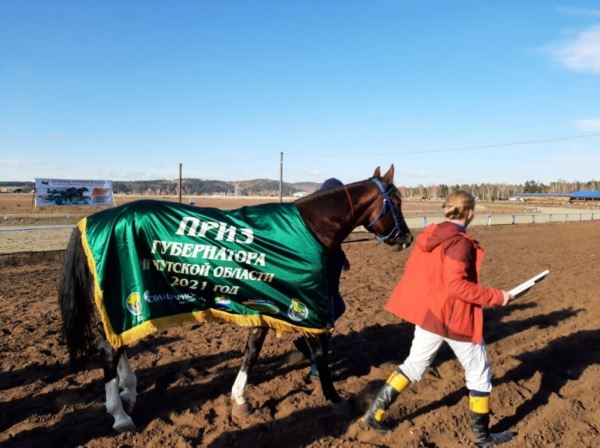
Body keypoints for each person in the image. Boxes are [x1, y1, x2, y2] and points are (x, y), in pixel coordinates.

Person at [361, 190, 513, 447]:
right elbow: (457, 285)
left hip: (431, 314)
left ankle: (374, 414)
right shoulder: (461, 243)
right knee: (479, 372)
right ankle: (482, 436)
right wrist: (497, 296)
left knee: (414, 365)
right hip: (454, 318)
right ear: (470, 213)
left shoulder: (432, 234)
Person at [294, 178, 350, 378]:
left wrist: (342, 258)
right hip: (321, 282)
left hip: (331, 278)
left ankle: (304, 343)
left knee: (339, 308)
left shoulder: (331, 220)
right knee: (325, 323)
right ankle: (317, 368)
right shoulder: (315, 220)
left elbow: (333, 244)